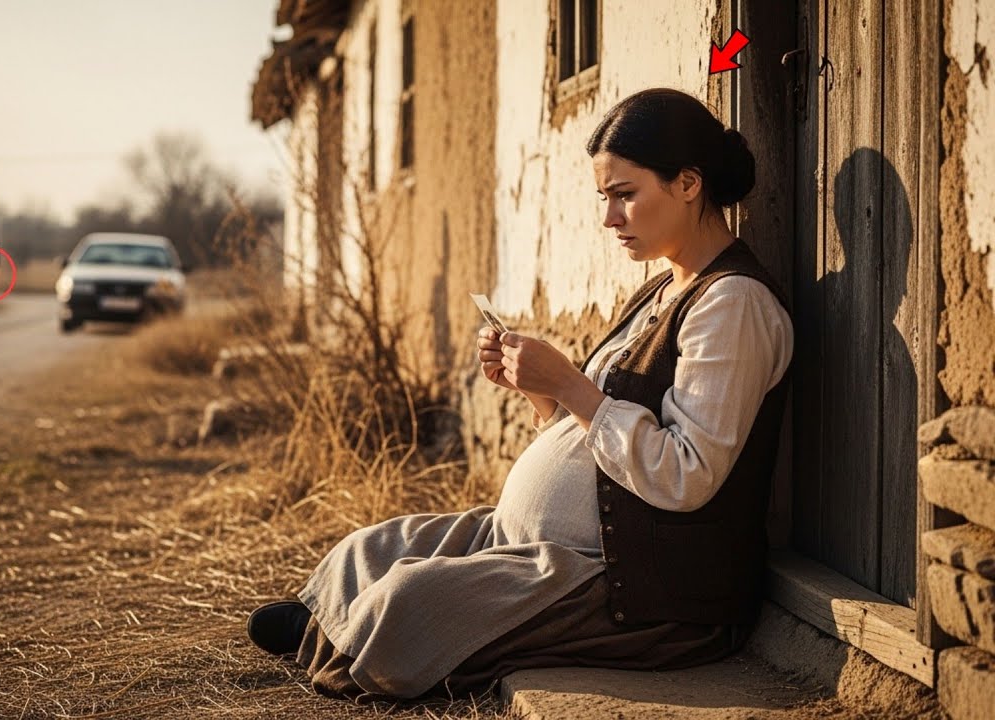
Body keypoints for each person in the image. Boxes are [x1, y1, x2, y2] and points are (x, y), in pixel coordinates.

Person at [245, 88, 795, 702]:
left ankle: (347, 640)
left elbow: (688, 475)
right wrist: (539, 392)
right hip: (550, 546)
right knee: (373, 549)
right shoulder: (661, 291)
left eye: (625, 195)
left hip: (635, 586)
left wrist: (568, 383)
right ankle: (336, 631)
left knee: (412, 599)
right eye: (603, 198)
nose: (609, 219)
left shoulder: (733, 305)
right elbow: (592, 437)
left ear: (689, 183)